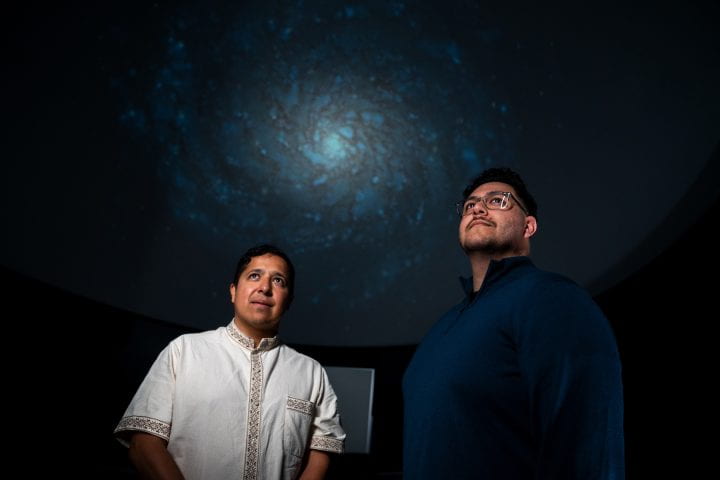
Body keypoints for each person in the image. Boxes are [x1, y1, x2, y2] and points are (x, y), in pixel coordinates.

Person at [402, 167, 624, 479]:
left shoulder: (552, 299)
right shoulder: (442, 327)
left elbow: (590, 446)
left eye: (498, 200)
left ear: (528, 226)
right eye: (470, 205)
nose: (478, 207)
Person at [114, 244, 345, 480]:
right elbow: (143, 443)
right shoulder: (183, 350)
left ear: (289, 301)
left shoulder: (312, 372)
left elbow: (322, 454)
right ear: (233, 291)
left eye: (278, 281)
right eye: (254, 276)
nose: (264, 288)